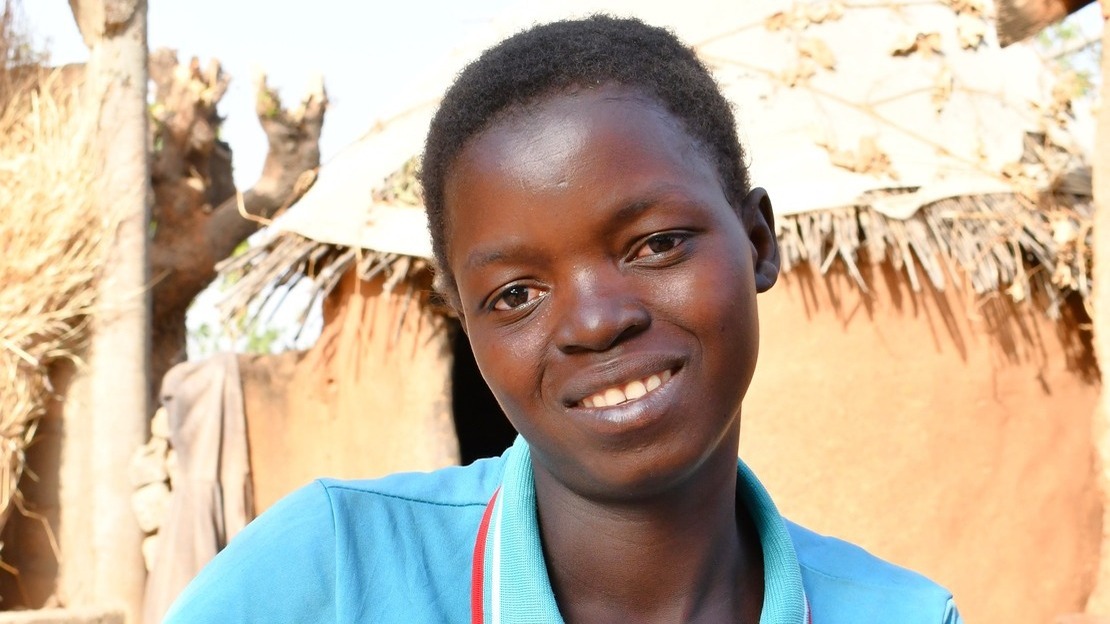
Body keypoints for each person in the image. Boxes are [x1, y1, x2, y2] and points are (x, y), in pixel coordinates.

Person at [166, 15, 963, 623]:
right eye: (516, 294)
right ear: (467, 327)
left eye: (656, 244)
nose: (596, 322)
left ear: (756, 241)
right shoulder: (331, 573)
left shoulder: (904, 616)